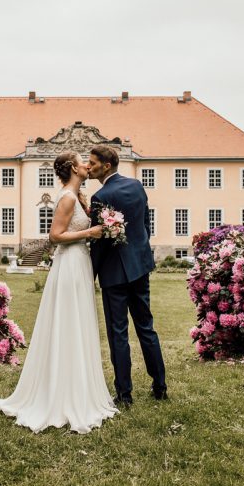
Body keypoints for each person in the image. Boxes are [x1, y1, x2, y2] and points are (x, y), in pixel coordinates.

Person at [0, 151, 118, 433]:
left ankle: (76, 386)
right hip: (69, 263)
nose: (87, 165)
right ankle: (62, 391)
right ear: (73, 168)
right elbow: (55, 235)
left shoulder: (77, 195)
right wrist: (89, 233)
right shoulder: (67, 197)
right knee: (68, 322)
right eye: (83, 162)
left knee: (77, 322)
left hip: (79, 262)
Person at [87, 145, 167, 405]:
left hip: (114, 274)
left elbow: (99, 243)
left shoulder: (100, 196)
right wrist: (140, 254)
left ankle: (124, 394)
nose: (89, 167)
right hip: (140, 267)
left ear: (106, 166)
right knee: (146, 327)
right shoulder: (136, 186)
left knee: (118, 333)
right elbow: (145, 225)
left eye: (92, 163)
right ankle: (160, 386)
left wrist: (90, 273)